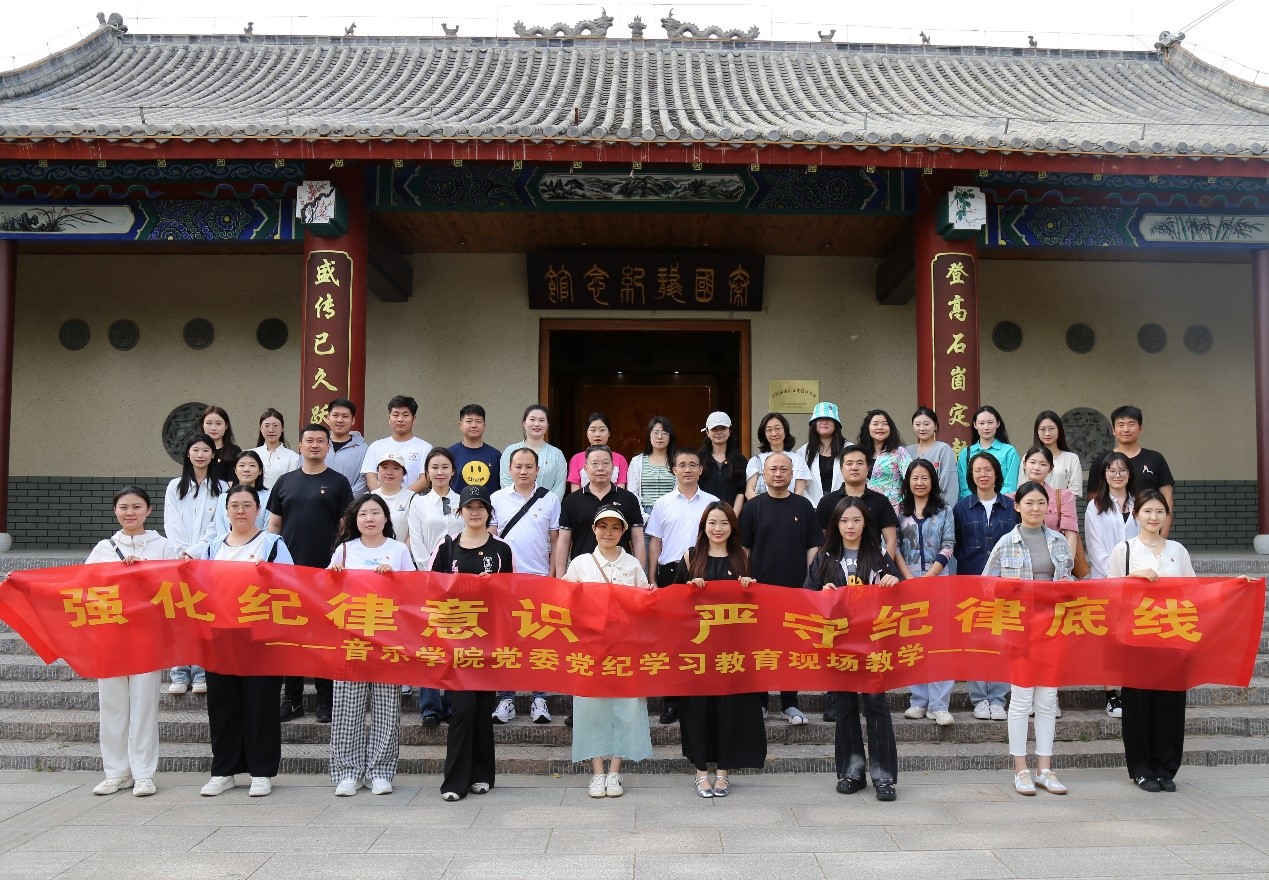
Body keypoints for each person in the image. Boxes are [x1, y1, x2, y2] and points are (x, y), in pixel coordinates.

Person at [198, 485, 293, 799]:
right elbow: (201, 587)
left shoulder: (272, 544)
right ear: (226, 511)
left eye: (247, 505)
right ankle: (223, 770)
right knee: (222, 705)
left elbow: (291, 586)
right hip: (221, 636)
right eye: (234, 505)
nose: (240, 511)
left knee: (260, 703)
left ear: (258, 510)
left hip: (260, 636)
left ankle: (262, 771)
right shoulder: (213, 547)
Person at [805, 497, 902, 801]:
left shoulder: (879, 555)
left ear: (865, 523)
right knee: (845, 707)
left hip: (874, 644)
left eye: (856, 520)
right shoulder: (824, 557)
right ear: (835, 524)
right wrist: (822, 594)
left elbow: (900, 596)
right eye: (844, 520)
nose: (850, 526)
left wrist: (893, 581)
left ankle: (884, 776)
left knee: (877, 706)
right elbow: (806, 596)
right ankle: (851, 771)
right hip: (839, 644)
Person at [85, 486, 178, 797]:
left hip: (146, 636)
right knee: (111, 705)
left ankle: (143, 773)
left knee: (143, 705)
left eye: (137, 507)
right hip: (110, 635)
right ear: (115, 511)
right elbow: (82, 587)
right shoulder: (103, 548)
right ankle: (116, 772)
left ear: (148, 511)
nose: (130, 513)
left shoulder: (163, 546)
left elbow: (175, 588)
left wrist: (145, 572)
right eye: (123, 507)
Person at [983, 480, 1074, 796]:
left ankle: (1045, 769)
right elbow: (986, 586)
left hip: (1052, 629)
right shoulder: (1005, 542)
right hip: (1019, 630)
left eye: (1041, 503)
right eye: (1029, 503)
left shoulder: (1059, 541)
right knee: (1021, 699)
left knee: (1047, 699)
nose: (1035, 508)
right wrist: (1006, 591)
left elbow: (1069, 580)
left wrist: (1067, 587)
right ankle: (1020, 769)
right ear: (1017, 506)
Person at [674, 501, 766, 798]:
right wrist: (689, 589)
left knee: (730, 712)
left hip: (732, 652)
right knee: (697, 712)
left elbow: (758, 606)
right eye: (712, 523)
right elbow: (671, 602)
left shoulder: (743, 558)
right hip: (698, 654)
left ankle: (723, 771)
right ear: (704, 526)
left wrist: (750, 587)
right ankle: (701, 772)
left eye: (724, 523)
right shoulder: (691, 557)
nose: (718, 528)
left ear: (732, 527)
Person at [562, 505, 654, 798]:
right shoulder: (580, 564)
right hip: (590, 649)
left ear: (624, 531)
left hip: (625, 649)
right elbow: (562, 601)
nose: (608, 533)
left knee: (627, 708)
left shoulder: (633, 565)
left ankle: (615, 771)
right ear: (593, 529)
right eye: (603, 526)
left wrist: (650, 597)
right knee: (590, 708)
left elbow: (645, 606)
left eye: (615, 527)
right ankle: (597, 772)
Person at [327, 494, 416, 796]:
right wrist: (333, 577)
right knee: (347, 708)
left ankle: (380, 771)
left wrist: (395, 579)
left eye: (376, 512)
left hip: (388, 639)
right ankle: (348, 772)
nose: (369, 518)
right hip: (350, 639)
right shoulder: (344, 550)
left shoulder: (398, 550)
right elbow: (325, 593)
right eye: (363, 513)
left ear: (386, 518)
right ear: (355, 519)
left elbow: (414, 593)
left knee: (386, 708)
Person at [1107, 490, 1196, 793]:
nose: (1153, 517)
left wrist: (1237, 586)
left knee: (1171, 705)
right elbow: (1109, 592)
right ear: (1136, 515)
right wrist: (1133, 578)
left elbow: (1195, 591)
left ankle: (1166, 767)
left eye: (1160, 511)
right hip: (1137, 637)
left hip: (1172, 635)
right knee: (1139, 705)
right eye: (1147, 511)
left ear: (1166, 516)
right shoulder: (1124, 550)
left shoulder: (1177, 550)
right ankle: (1142, 769)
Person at [268, 423, 355, 724]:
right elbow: (274, 526)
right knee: (291, 638)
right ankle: (291, 700)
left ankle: (324, 699)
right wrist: (270, 562)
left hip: (327, 573)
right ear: (300, 446)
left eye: (320, 441)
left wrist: (340, 562)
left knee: (324, 638)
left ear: (328, 447)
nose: (315, 445)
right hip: (290, 572)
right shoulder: (285, 481)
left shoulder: (338, 482)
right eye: (309, 440)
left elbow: (345, 528)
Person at [432, 486, 513, 801]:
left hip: (489, 639)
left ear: (489, 512)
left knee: (482, 709)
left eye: (481, 507)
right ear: (460, 511)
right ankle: (454, 781)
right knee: (462, 709)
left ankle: (481, 775)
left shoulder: (501, 549)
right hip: (456, 641)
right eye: (469, 507)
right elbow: (431, 589)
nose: (475, 512)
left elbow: (510, 594)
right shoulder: (447, 547)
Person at [740, 452, 822, 725]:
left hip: (795, 590)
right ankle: (761, 702)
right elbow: (744, 549)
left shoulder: (803, 506)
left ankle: (790, 703)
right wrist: (746, 580)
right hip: (759, 591)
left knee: (792, 648)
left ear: (792, 474)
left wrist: (810, 583)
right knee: (761, 648)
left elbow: (813, 547)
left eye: (783, 469)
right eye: (773, 469)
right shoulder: (753, 507)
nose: (778, 474)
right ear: (764, 474)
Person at [644, 447, 718, 724]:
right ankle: (671, 701)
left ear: (701, 470)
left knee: (704, 637)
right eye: (682, 465)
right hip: (671, 573)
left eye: (693, 465)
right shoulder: (663, 503)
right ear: (673, 470)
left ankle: (701, 697)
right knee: (672, 641)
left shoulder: (712, 503)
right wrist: (652, 577)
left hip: (705, 572)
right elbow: (655, 542)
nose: (687, 469)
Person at [490, 447, 560, 724]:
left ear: (537, 469)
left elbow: (556, 542)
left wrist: (554, 576)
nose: (523, 471)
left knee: (537, 641)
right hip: (506, 581)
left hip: (539, 579)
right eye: (518, 466)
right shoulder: (497, 498)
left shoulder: (550, 499)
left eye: (529, 466)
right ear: (509, 469)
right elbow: (491, 540)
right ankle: (506, 699)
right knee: (507, 641)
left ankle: (539, 698)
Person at [953, 451, 1019, 721]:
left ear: (996, 474)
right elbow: (956, 544)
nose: (983, 474)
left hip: (1005, 584)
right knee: (975, 642)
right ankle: (980, 698)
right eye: (977, 470)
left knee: (1002, 640)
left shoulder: (1011, 507)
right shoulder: (961, 508)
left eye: (988, 469)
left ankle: (998, 698)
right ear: (971, 476)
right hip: (972, 582)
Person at [163, 432, 226, 695]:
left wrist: (195, 552)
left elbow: (217, 526)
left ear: (213, 455)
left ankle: (201, 672)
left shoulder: (222, 487)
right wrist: (182, 552)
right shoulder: (175, 486)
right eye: (196, 450)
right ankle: (179, 673)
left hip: (206, 560)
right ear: (188, 454)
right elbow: (171, 522)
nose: (200, 455)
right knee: (178, 616)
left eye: (205, 450)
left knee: (202, 616)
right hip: (178, 561)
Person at [895, 460, 956, 726]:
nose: (919, 483)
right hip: (907, 579)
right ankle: (918, 701)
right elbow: (895, 546)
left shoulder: (944, 510)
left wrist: (930, 576)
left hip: (938, 577)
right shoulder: (899, 510)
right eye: (915, 478)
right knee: (913, 640)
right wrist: (910, 579)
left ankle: (940, 705)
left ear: (933, 481)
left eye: (925, 478)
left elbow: (949, 544)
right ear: (907, 481)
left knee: (940, 642)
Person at [406, 447, 463, 724]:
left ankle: (451, 702)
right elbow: (416, 540)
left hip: (459, 582)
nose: (440, 472)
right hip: (428, 579)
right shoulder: (418, 503)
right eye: (434, 467)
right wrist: (430, 574)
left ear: (453, 471)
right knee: (428, 642)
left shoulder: (464, 500)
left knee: (455, 641)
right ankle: (430, 706)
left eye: (445, 467)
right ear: (427, 473)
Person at [1085, 452, 1139, 719]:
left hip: (1137, 583)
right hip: (1105, 582)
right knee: (1107, 640)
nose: (1117, 475)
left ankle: (1131, 690)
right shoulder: (1095, 506)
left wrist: (1134, 576)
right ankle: (1111, 695)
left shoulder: (1140, 503)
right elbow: (1095, 548)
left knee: (1132, 638)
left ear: (1130, 474)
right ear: (1104, 475)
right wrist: (1117, 576)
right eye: (1111, 470)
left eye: (1122, 470)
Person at [554, 444, 645, 575]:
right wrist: (560, 578)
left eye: (606, 463)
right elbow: (563, 542)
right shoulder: (572, 500)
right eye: (594, 464)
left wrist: (639, 574)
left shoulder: (629, 499)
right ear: (585, 468)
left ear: (613, 467)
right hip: (583, 572)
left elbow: (637, 540)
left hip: (621, 573)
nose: (600, 468)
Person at [1087, 406, 1176, 536]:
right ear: (1114, 430)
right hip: (1111, 531)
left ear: (1140, 428)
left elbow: (1167, 498)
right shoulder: (1102, 460)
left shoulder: (1155, 458)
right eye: (1121, 425)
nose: (1126, 429)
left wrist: (1163, 536)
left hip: (1149, 528)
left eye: (1131, 424)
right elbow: (1094, 499)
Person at [1015, 446, 1079, 559]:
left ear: (1050, 468)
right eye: (1032, 462)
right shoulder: (1012, 498)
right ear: (1024, 464)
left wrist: (1066, 566)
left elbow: (1071, 536)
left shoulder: (1063, 497)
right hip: (1021, 560)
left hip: (1055, 558)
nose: (1036, 468)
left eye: (1043, 464)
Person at [361, 395, 433, 493]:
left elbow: (425, 480)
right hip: (380, 501)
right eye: (395, 415)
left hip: (412, 500)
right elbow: (370, 477)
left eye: (405, 415)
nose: (400, 419)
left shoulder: (425, 448)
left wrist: (401, 498)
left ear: (414, 419)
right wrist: (384, 498)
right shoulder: (375, 446)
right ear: (389, 418)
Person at [499, 404, 567, 497]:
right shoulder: (510, 451)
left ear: (548, 424)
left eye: (541, 420)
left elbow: (559, 487)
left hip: (548, 505)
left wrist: (547, 504)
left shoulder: (557, 454)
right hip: (514, 505)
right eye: (532, 419)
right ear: (524, 423)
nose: (536, 424)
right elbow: (506, 482)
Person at [956, 405, 1020, 499]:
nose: (986, 427)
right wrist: (977, 502)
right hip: (972, 505)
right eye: (981, 423)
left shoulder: (1009, 451)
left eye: (990, 423)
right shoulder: (965, 454)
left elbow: (1010, 485)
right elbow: (964, 488)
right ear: (975, 425)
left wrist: (994, 501)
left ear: (998, 423)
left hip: (1002, 503)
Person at [859, 409, 911, 515]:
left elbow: (911, 478)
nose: (880, 427)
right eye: (875, 424)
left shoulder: (899, 452)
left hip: (892, 510)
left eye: (884, 424)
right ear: (867, 428)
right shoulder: (861, 453)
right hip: (863, 509)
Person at [746, 412, 811, 498]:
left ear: (785, 431)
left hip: (791, 506)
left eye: (777, 428)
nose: (774, 434)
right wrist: (761, 506)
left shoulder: (798, 459)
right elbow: (749, 491)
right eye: (769, 430)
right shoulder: (755, 460)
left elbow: (799, 492)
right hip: (762, 506)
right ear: (764, 434)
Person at [795, 401, 846, 507]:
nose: (824, 422)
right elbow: (800, 485)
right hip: (812, 508)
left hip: (844, 507)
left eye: (829, 419)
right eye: (820, 419)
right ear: (814, 423)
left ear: (836, 424)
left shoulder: (849, 449)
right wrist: (812, 507)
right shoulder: (803, 452)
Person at [905, 406, 959, 504]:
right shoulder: (907, 451)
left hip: (937, 507)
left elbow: (949, 485)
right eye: (917, 424)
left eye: (926, 424)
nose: (922, 428)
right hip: (911, 507)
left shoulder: (943, 449)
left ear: (935, 426)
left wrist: (944, 510)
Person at [627, 416, 677, 518]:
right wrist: (645, 517)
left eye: (664, 433)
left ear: (670, 437)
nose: (660, 437)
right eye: (656, 432)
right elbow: (632, 493)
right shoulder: (637, 462)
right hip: (643, 514)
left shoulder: (677, 461)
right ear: (649, 437)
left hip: (670, 514)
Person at [211, 450, 271, 536]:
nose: (246, 469)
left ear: (260, 471)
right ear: (235, 470)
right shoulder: (223, 498)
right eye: (242, 465)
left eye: (252, 465)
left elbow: (269, 529)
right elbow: (220, 528)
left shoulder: (269, 497)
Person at [698, 411, 746, 513]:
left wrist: (732, 517)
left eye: (723, 428)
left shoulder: (740, 460)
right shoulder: (699, 459)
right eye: (714, 429)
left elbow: (741, 491)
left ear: (729, 431)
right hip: (704, 515)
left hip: (732, 515)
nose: (718, 432)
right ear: (707, 432)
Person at [567, 412, 629, 491]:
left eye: (602, 430)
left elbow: (621, 491)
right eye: (593, 430)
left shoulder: (620, 459)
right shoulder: (576, 459)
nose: (597, 434)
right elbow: (575, 492)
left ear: (609, 433)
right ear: (587, 433)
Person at [449, 404, 502, 492]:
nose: (474, 425)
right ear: (460, 425)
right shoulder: (450, 454)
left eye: (478, 421)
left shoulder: (495, 455)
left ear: (484, 426)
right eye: (469, 421)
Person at [1029, 411, 1082, 497]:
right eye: (1042, 429)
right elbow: (1022, 488)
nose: (1047, 433)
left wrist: (1056, 502)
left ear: (1059, 430)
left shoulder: (1072, 458)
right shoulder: (1028, 458)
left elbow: (1075, 491)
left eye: (1051, 429)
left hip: (1062, 505)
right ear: (1037, 432)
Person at [371, 452, 417, 550]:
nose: (389, 472)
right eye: (384, 468)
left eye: (395, 468)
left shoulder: (413, 498)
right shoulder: (368, 498)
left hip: (402, 555)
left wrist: (401, 554)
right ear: (377, 471)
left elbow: (415, 533)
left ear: (403, 473)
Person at [324, 398, 368, 496]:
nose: (340, 420)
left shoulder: (364, 449)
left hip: (350, 503)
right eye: (335, 415)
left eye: (345, 416)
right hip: (318, 502)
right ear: (328, 418)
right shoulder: (318, 445)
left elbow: (363, 481)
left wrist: (345, 500)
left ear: (353, 420)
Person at [252, 408, 300, 489]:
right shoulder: (252, 454)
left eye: (275, 425)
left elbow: (292, 485)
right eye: (267, 426)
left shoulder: (292, 457)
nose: (271, 430)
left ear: (282, 429)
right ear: (261, 429)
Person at [201, 405, 241, 485]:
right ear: (203, 425)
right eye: (209, 423)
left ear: (226, 426)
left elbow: (232, 482)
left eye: (218, 424)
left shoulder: (234, 451)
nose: (213, 428)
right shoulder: (196, 450)